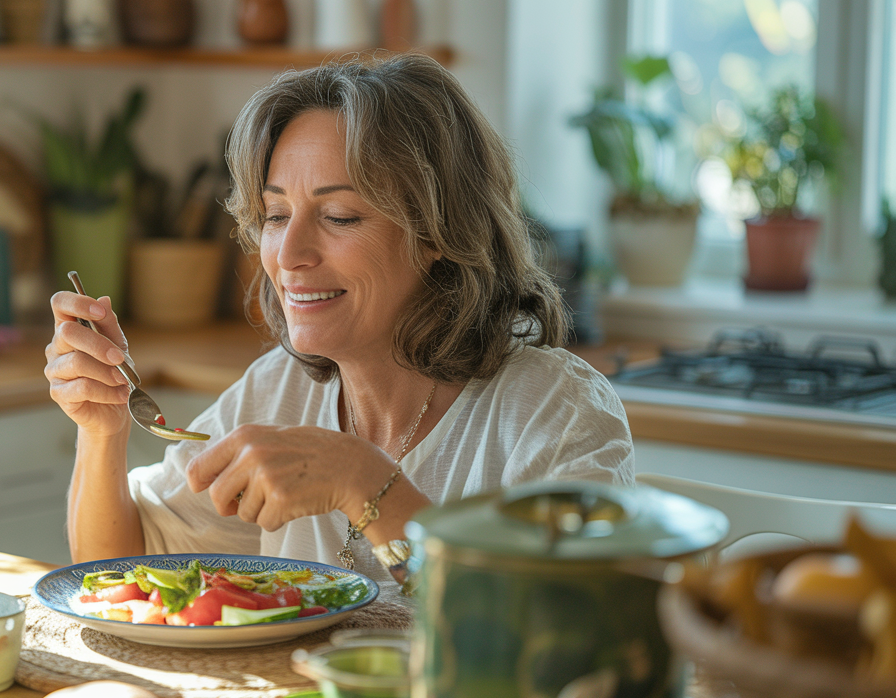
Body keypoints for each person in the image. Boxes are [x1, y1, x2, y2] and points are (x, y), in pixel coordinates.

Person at [44, 53, 633, 594]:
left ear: (437, 234)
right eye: (276, 214)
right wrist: (102, 431)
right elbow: (120, 572)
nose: (289, 252)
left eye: (339, 215)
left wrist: (367, 484)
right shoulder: (280, 388)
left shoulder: (555, 412)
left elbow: (559, 643)